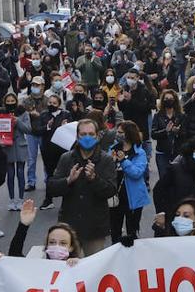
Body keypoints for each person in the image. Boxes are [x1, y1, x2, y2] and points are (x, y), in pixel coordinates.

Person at [48, 119, 119, 256]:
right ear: (77, 136)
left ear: (97, 136)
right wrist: (68, 181)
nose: (87, 137)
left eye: (91, 134)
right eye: (83, 134)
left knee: (93, 270)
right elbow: (52, 187)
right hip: (69, 226)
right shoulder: (66, 158)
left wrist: (94, 179)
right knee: (71, 270)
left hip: (95, 228)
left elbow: (111, 190)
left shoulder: (106, 160)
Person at [109, 120, 149, 244]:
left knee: (132, 231)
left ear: (128, 134)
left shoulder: (139, 152)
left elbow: (137, 173)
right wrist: (111, 162)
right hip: (116, 196)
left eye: (121, 132)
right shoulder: (112, 149)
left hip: (133, 196)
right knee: (115, 231)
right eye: (117, 132)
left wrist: (123, 161)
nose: (118, 134)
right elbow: (106, 171)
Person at [0, 92, 29, 211]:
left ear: (16, 101)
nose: (10, 103)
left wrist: (17, 121)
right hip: (7, 146)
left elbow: (28, 129)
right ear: (5, 102)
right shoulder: (1, 113)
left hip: (20, 145)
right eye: (8, 101)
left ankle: (20, 199)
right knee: (10, 174)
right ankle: (11, 200)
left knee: (20, 173)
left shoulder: (23, 112)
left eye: (12, 101)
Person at [36, 93, 69, 210]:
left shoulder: (65, 114)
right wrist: (47, 126)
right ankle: (48, 199)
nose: (51, 105)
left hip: (63, 148)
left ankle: (67, 201)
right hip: (48, 148)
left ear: (59, 104)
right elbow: (37, 130)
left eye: (54, 103)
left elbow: (73, 129)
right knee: (50, 174)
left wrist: (65, 126)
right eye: (50, 103)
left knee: (65, 173)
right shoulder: (44, 115)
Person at [152, 90, 184, 180]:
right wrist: (165, 131)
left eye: (171, 99)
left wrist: (178, 132)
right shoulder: (158, 116)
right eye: (166, 99)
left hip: (177, 152)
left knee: (178, 179)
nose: (168, 100)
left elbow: (186, 134)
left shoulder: (180, 116)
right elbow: (153, 134)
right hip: (162, 153)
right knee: (164, 179)